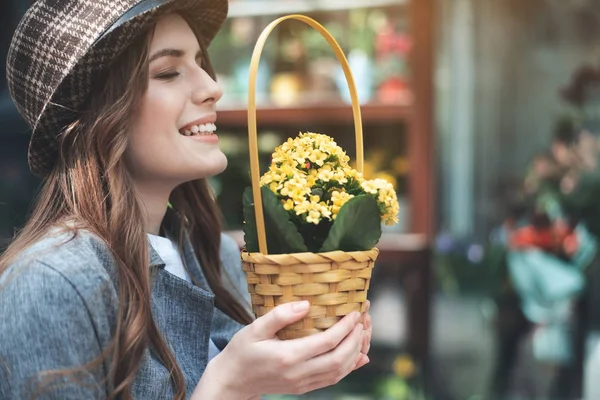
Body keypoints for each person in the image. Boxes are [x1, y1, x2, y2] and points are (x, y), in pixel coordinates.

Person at [0, 0, 372, 399]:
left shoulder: (216, 258)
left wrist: (305, 363)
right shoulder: (53, 284)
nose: (212, 87)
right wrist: (227, 387)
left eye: (200, 63)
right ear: (101, 114)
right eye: (168, 72)